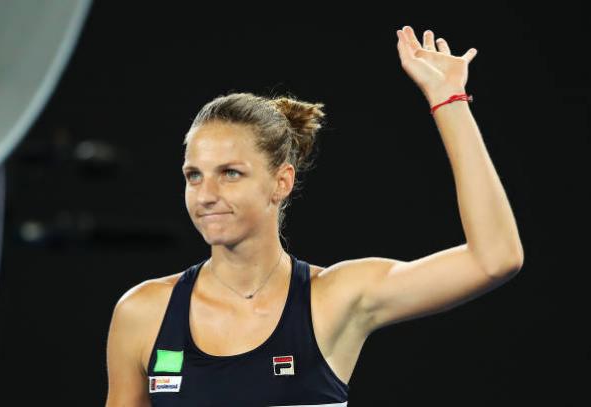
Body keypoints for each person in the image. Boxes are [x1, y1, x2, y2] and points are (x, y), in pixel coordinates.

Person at [105, 25, 524, 407]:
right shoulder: (143, 313)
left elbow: (495, 258)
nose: (206, 194)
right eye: (194, 176)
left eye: (230, 173)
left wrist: (449, 100)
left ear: (281, 182)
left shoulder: (334, 299)